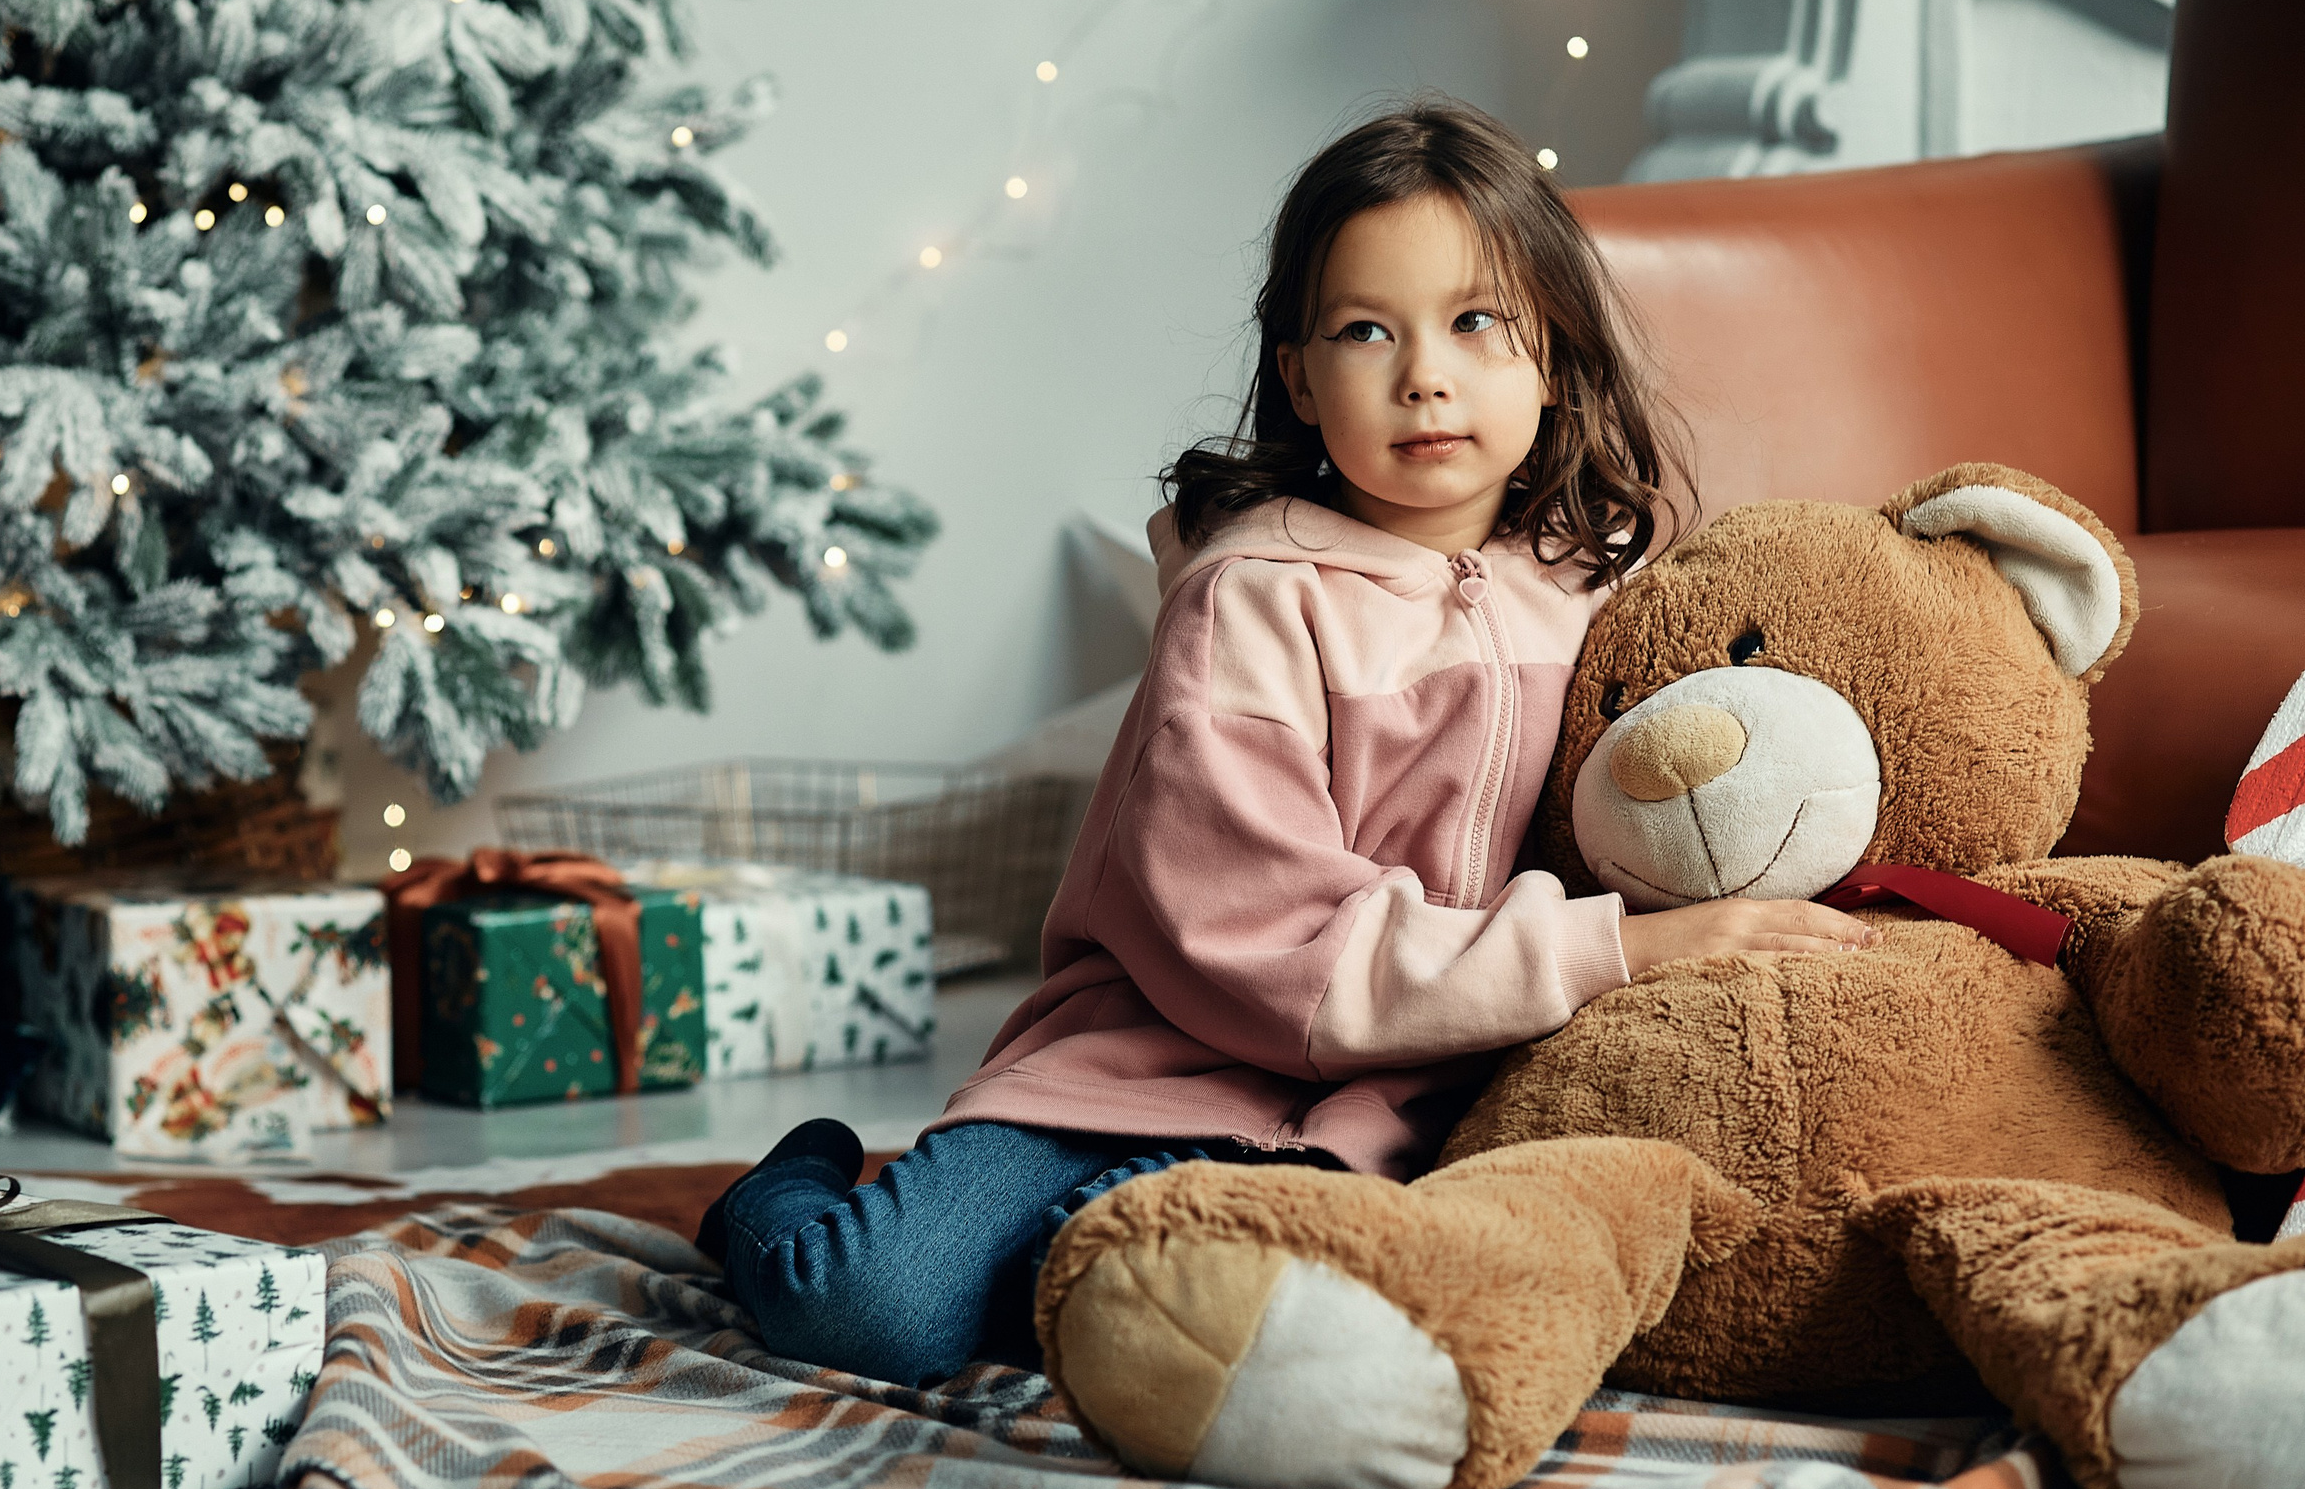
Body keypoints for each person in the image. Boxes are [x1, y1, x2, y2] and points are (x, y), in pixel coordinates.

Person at [697, 99, 1876, 1387]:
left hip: (1383, 1108)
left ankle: (1095, 1259)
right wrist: (1610, 950)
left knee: (1191, 1298)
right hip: (1134, 1070)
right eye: (1366, 330)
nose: (1425, 372)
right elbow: (1255, 934)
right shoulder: (1253, 594)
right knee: (862, 1313)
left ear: (1556, 355)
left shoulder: (1605, 587)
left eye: (1476, 322)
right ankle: (784, 1192)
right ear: (1302, 375)